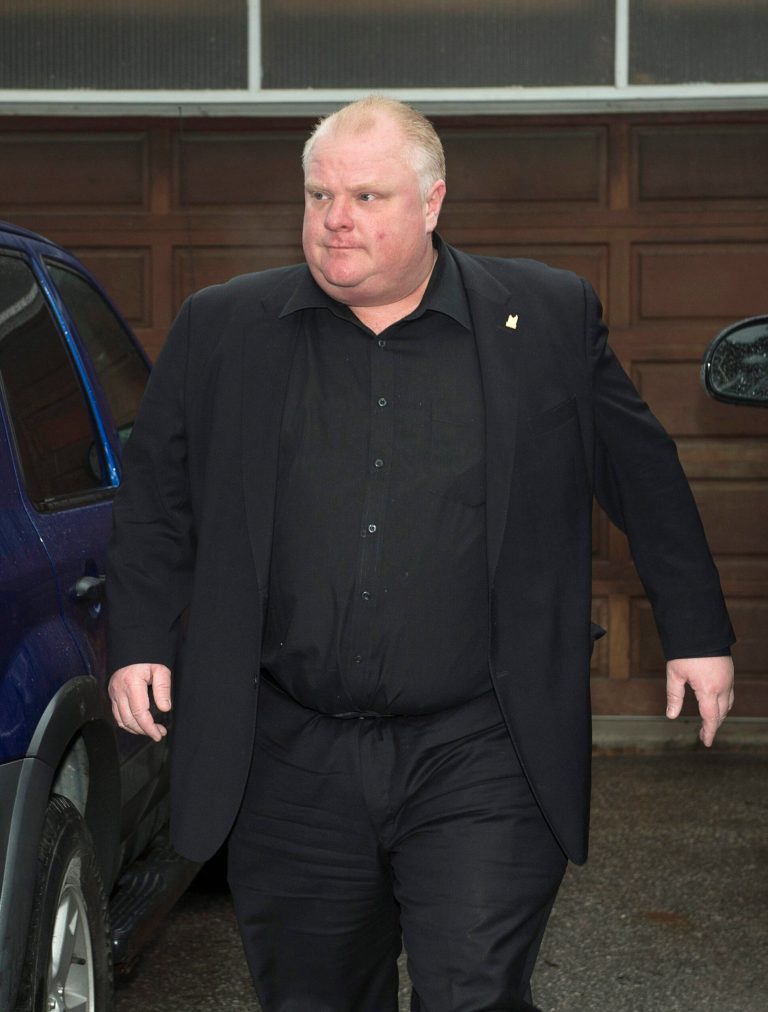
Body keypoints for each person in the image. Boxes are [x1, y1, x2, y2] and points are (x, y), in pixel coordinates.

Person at [107, 97, 735, 1012]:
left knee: (475, 991)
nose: (336, 219)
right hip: (289, 751)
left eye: (367, 195)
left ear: (433, 203)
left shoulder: (546, 319)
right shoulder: (224, 330)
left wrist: (697, 632)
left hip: (482, 742)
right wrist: (138, 639)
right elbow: (157, 501)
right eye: (320, 194)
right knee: (314, 995)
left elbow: (644, 474)